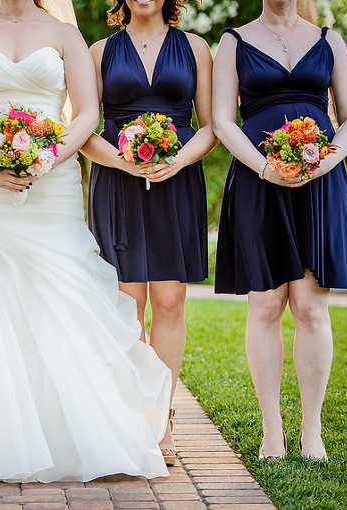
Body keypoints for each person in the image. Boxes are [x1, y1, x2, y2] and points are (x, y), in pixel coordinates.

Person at [0, 0, 172, 482]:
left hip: (54, 181)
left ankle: (75, 434)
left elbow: (87, 113)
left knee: (61, 286)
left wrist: (47, 157)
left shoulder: (65, 35)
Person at [212, 0, 347, 460]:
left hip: (320, 182)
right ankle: (272, 430)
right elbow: (222, 120)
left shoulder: (330, 41)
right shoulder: (234, 42)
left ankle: (311, 430)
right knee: (266, 305)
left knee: (311, 308)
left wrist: (327, 161)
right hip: (259, 181)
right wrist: (264, 168)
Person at [80, 0, 216, 467]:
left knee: (169, 301)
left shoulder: (195, 48)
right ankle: (132, 417)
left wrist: (175, 161)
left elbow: (211, 126)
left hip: (177, 180)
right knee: (127, 304)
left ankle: (163, 417)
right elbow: (84, 130)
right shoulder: (100, 51)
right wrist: (125, 162)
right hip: (118, 182)